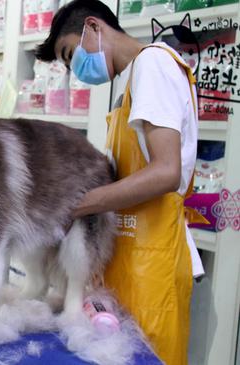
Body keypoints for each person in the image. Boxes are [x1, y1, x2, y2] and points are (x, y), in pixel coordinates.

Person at [35, 1, 206, 364]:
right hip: (132, 257)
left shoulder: (154, 65)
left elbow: (165, 172)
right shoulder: (130, 84)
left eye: (71, 54)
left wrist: (80, 203)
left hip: (152, 263)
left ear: (94, 27)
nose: (77, 72)